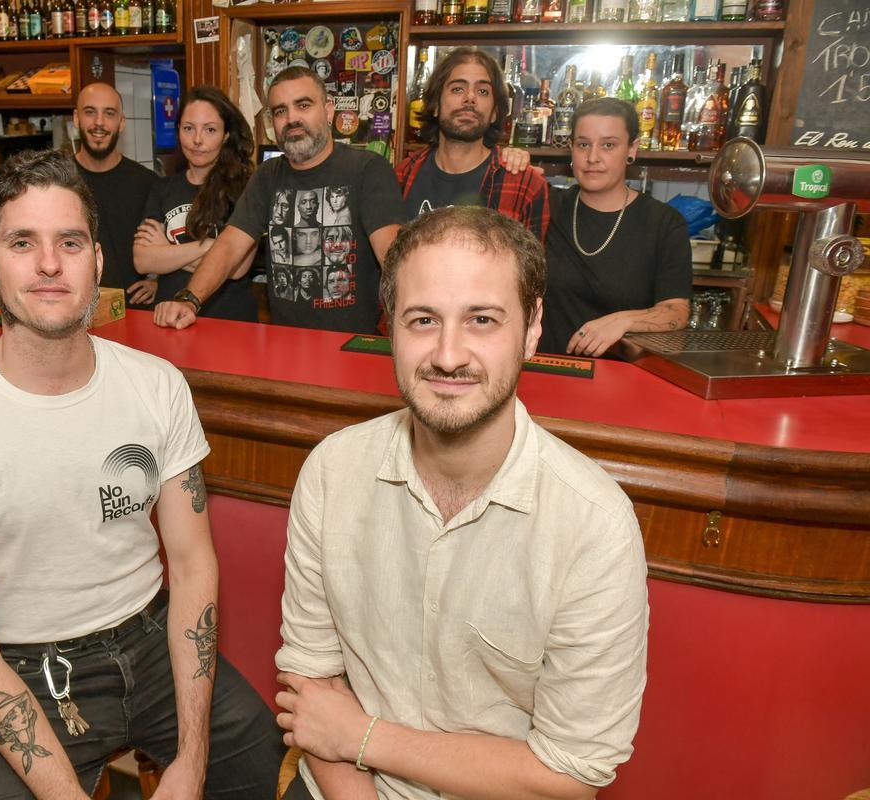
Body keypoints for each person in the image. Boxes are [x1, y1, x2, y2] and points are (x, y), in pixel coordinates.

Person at [0, 149, 283, 799]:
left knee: (261, 763)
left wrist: (190, 758)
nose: (49, 264)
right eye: (23, 242)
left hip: (154, 637)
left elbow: (191, 566)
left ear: (97, 263)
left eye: (69, 242)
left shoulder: (156, 387)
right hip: (23, 667)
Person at [274, 205, 649, 800]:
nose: (449, 355)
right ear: (389, 326)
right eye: (423, 319)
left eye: (482, 319)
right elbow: (310, 679)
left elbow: (571, 775)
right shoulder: (332, 471)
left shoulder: (593, 525)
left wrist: (365, 737)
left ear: (531, 329)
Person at [154, 67, 406, 334]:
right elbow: (230, 245)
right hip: (286, 342)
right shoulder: (268, 175)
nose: (291, 119)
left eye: (303, 105)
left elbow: (392, 256)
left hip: (350, 345)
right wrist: (190, 299)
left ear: (328, 110)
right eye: (280, 111)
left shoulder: (367, 169)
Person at [540, 98, 691, 356]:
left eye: (608, 145)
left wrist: (624, 321)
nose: (592, 157)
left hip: (624, 380)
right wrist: (513, 158)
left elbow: (676, 312)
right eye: (583, 144)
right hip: (549, 372)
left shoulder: (663, 222)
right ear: (571, 149)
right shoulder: (548, 205)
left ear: (632, 149)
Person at [395, 48, 550, 241]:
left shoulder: (524, 185)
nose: (470, 98)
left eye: (483, 91)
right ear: (435, 106)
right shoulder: (401, 176)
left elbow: (532, 269)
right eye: (457, 89)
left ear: (495, 112)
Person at [133, 85, 258, 322]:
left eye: (210, 130)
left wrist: (167, 253)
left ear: (226, 135)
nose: (197, 140)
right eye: (189, 128)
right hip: (168, 319)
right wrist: (210, 246)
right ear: (178, 130)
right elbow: (142, 260)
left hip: (229, 322)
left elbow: (237, 268)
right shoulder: (162, 188)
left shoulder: (245, 188)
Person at [72, 82, 159, 310]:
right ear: (76, 119)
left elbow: (167, 247)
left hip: (134, 315)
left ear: (121, 123)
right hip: (72, 315)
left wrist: (158, 282)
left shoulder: (148, 183)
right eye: (90, 112)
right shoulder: (56, 181)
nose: (99, 122)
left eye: (109, 114)